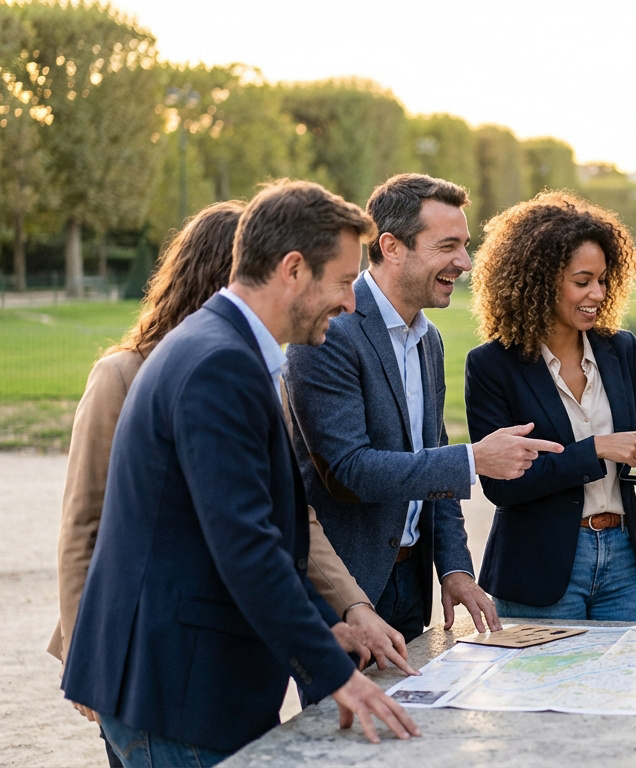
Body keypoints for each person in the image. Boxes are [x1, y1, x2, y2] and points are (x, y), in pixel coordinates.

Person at [62, 180, 420, 765]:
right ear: (293, 269)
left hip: (187, 685)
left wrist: (324, 627)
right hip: (178, 691)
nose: (351, 303)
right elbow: (246, 545)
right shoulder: (219, 363)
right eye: (343, 282)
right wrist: (335, 674)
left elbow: (255, 537)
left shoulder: (218, 347)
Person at [286, 173, 561, 642]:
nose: (466, 262)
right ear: (392, 247)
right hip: (343, 594)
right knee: (342, 719)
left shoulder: (427, 338)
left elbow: (431, 459)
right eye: (448, 246)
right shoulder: (331, 330)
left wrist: (454, 568)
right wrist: (474, 459)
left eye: (465, 245)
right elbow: (350, 471)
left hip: (410, 585)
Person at [465, 191, 636, 621]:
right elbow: (502, 486)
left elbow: (630, 447)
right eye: (582, 280)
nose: (598, 293)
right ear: (541, 280)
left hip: (626, 562)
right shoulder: (492, 365)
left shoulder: (620, 349)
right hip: (538, 568)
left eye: (604, 279)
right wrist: (595, 449)